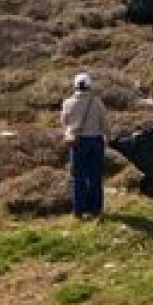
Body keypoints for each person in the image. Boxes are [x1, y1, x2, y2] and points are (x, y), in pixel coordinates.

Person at [59, 71, 108, 219]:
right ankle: (95, 209)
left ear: (75, 86)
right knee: (95, 177)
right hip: (96, 141)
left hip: (78, 142)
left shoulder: (68, 103)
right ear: (89, 85)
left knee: (78, 177)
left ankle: (79, 211)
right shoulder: (97, 102)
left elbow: (64, 122)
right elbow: (104, 123)